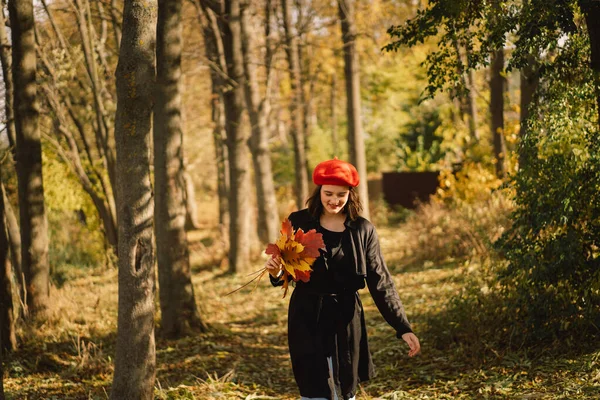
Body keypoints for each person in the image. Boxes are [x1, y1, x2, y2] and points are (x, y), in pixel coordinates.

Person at [265, 158, 420, 400]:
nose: (334, 200)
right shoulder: (299, 222)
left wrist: (402, 326)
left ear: (351, 194)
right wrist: (275, 271)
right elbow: (286, 273)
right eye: (328, 193)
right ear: (319, 192)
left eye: (341, 194)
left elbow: (381, 282)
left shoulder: (362, 230)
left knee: (345, 387)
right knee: (314, 388)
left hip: (346, 317)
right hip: (307, 314)